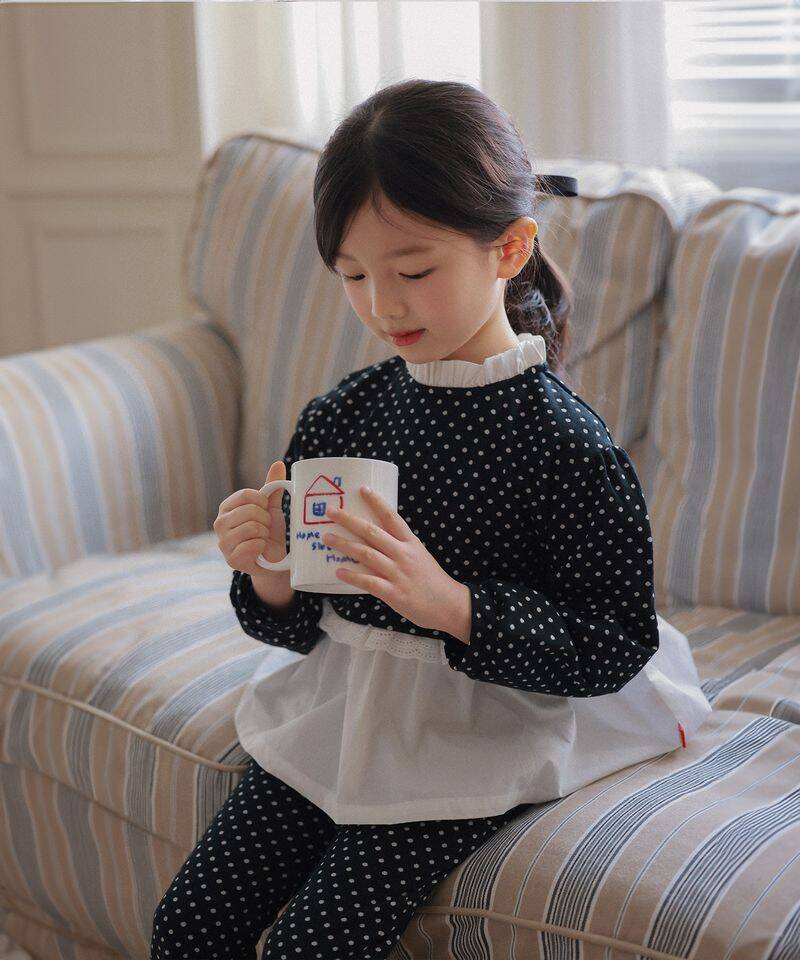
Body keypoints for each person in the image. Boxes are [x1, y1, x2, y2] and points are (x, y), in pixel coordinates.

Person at [152, 77, 711, 960]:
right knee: (187, 925)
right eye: (354, 276)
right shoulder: (343, 414)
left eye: (413, 271)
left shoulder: (566, 445)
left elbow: (612, 639)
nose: (384, 305)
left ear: (510, 248)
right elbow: (298, 624)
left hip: (476, 731)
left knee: (312, 947)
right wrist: (268, 568)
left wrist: (451, 604)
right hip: (339, 715)